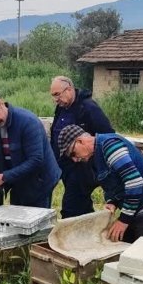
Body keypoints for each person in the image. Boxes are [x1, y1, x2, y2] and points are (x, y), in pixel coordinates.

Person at [56, 124, 143, 243]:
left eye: (73, 153)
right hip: (135, 210)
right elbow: (115, 180)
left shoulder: (110, 146)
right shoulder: (94, 156)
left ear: (80, 141)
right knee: (126, 255)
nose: (74, 159)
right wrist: (113, 201)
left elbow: (134, 182)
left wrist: (124, 220)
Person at [0, 91, 61, 208]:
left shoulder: (28, 121)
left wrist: (3, 177)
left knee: (37, 222)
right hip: (17, 180)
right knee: (17, 218)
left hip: (39, 181)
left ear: (1, 104)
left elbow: (36, 160)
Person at [49, 76, 114, 218]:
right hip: (66, 167)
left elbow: (108, 136)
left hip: (82, 167)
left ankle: (70, 234)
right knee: (81, 205)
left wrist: (93, 164)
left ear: (70, 89)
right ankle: (87, 230)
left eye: (57, 94)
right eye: (53, 96)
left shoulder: (88, 107)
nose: (55, 99)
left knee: (70, 207)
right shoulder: (61, 108)